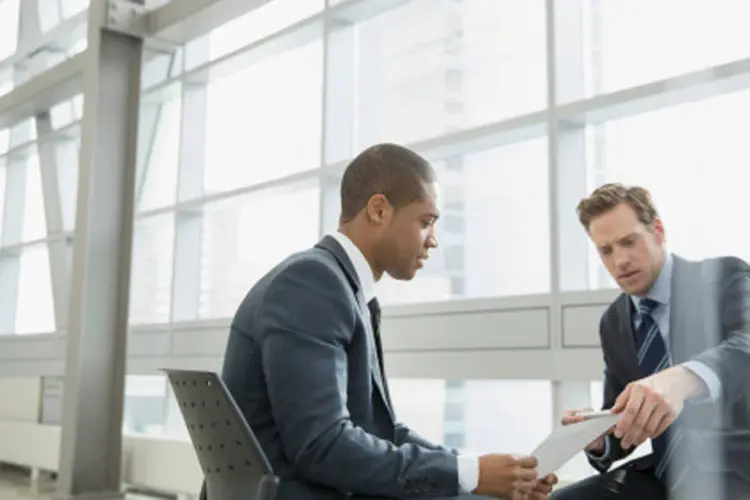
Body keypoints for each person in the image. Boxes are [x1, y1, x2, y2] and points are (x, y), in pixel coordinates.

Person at [217, 143, 557, 500]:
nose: (434, 241)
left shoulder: (340, 286)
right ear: (378, 210)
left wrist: (485, 470)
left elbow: (381, 432)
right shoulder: (311, 284)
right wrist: (468, 475)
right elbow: (323, 446)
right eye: (425, 222)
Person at [551, 183, 750, 500]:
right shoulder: (613, 321)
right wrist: (598, 438)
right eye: (606, 250)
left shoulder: (723, 276)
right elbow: (620, 419)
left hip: (736, 465)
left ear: (657, 231)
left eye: (629, 242)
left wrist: (681, 380)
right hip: (665, 472)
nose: (620, 261)